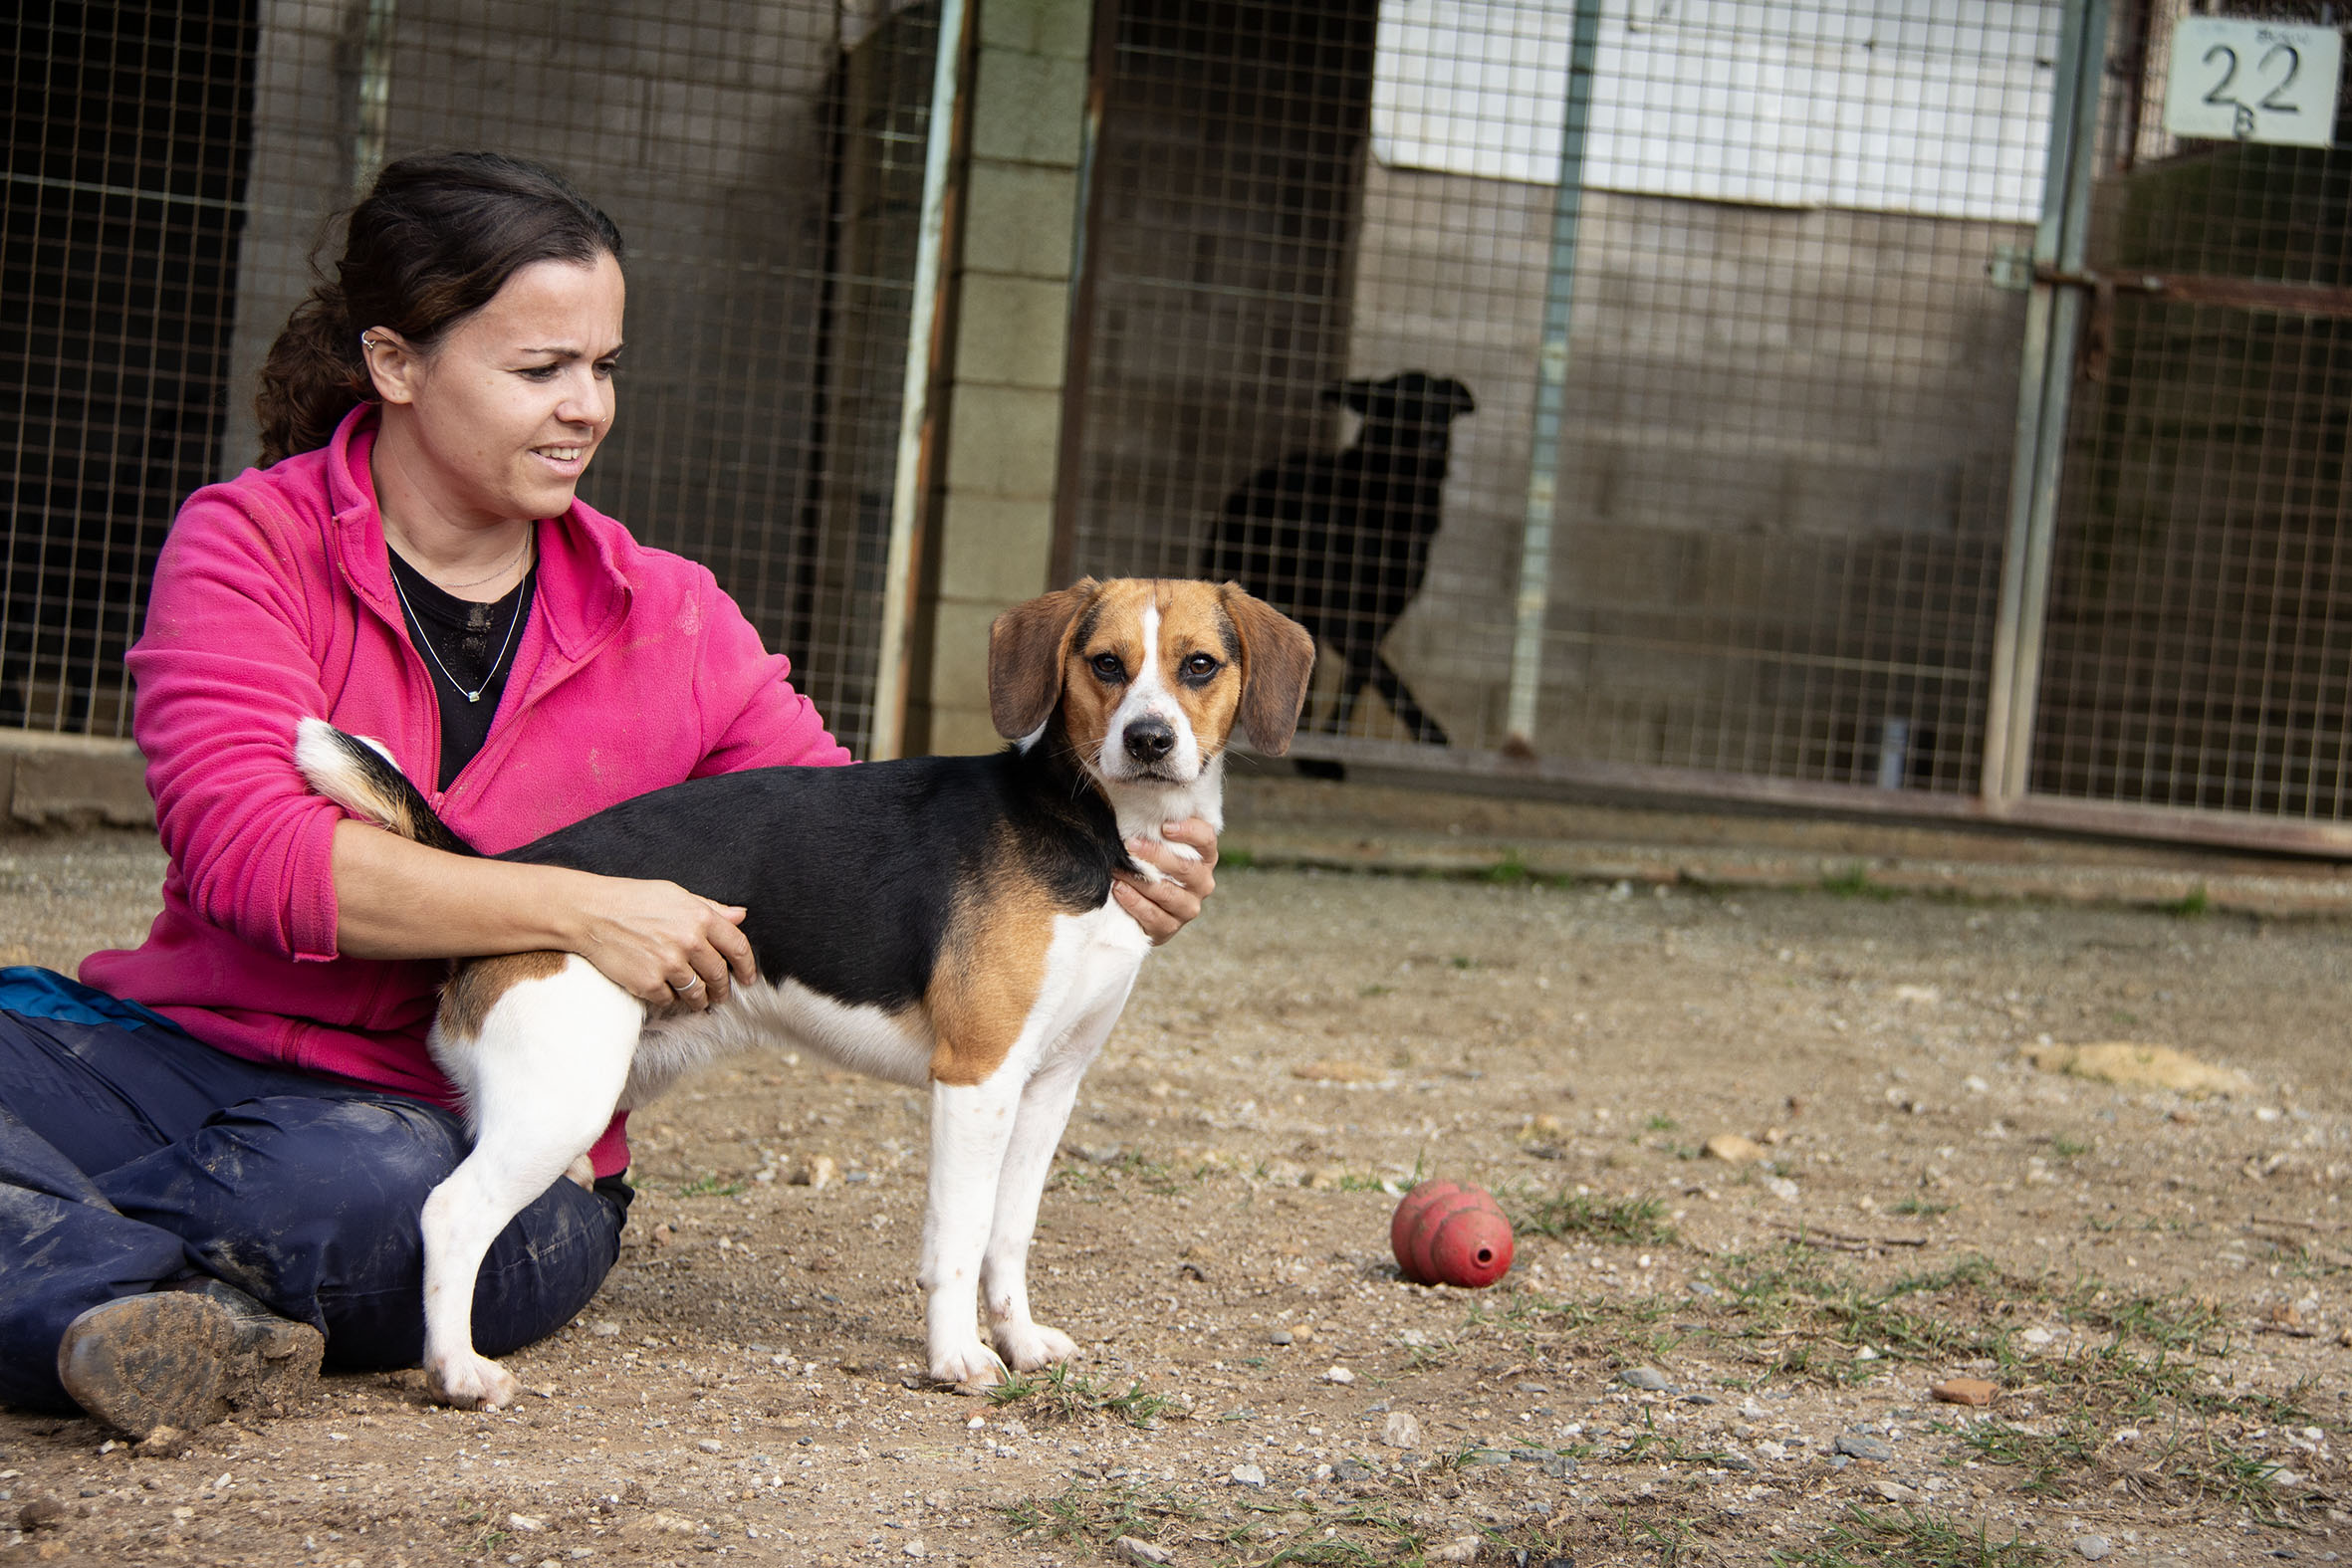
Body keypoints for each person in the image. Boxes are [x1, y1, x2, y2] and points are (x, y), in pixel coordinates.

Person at [0, 151, 1218, 1437]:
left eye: (605, 367)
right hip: (190, 1057)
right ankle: (147, 1288)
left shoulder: (671, 614)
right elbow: (255, 856)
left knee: (349, 1199)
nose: (586, 407)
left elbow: (844, 838)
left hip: (433, 1129)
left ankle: (87, 1286)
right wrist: (583, 909)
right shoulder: (250, 541)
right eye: (542, 369)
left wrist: (1085, 871)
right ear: (396, 363)